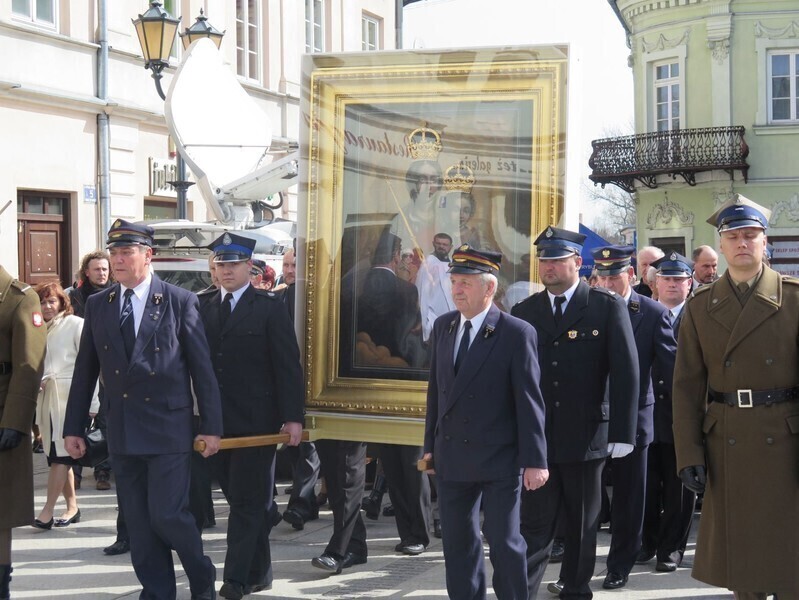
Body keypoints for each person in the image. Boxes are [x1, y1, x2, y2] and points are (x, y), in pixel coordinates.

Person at [62, 219, 223, 600]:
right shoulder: (100, 305)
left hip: (168, 428)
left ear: (148, 255)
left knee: (167, 515)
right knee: (138, 522)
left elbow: (202, 369)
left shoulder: (178, 300)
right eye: (113, 252)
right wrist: (72, 429)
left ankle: (201, 575)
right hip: (122, 429)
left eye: (126, 252)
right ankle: (157, 591)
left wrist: (211, 426)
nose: (117, 260)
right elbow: (85, 372)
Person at [673, 194, 799, 599]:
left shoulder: (794, 299)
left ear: (766, 243)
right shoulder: (700, 307)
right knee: (743, 568)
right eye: (733, 236)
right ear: (722, 245)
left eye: (751, 235)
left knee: (789, 561)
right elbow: (687, 388)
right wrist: (689, 455)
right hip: (728, 442)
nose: (742, 243)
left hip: (786, 441)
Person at [511, 226, 639, 599]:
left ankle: (576, 588)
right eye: (543, 260)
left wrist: (622, 432)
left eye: (556, 260)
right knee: (534, 524)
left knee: (583, 522)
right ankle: (523, 590)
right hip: (539, 438)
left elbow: (626, 371)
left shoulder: (605, 306)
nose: (547, 267)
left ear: (577, 263)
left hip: (587, 436)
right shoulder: (525, 311)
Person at [422, 244, 548, 599]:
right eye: (454, 282)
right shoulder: (445, 326)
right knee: (458, 545)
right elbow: (437, 394)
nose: (456, 290)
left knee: (505, 543)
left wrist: (535, 460)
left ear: (489, 288)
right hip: (453, 457)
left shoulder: (515, 332)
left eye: (465, 283)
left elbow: (529, 402)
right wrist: (430, 448)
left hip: (499, 459)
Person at [198, 232, 305, 599]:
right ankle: (260, 572)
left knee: (246, 503)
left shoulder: (268, 306)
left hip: (257, 423)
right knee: (247, 501)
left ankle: (237, 579)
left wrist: (293, 417)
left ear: (249, 267)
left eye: (233, 264)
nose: (226, 271)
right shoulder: (202, 305)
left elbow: (287, 365)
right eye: (221, 264)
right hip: (214, 423)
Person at [591, 246, 676, 589]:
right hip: (592, 419)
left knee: (629, 498)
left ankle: (619, 565)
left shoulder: (653, 313)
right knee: (588, 500)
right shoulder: (587, 310)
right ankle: (578, 567)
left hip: (634, 420)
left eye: (615, 276)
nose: (609, 283)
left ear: (631, 276)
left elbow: (672, 371)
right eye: (603, 277)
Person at [639, 252, 696, 573]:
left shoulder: (699, 315)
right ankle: (647, 543)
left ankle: (671, 548)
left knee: (680, 488)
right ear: (654, 284)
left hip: (683, 416)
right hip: (648, 415)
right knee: (645, 485)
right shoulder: (642, 313)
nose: (673, 285)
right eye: (666, 279)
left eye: (679, 279)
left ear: (690, 284)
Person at [32, 281, 99, 530]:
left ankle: (47, 511)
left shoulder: (75, 324)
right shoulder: (38, 328)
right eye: (42, 301)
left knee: (61, 456)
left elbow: (90, 366)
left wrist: (93, 403)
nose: (47, 306)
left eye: (52, 301)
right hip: (48, 400)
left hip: (71, 399)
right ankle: (72, 507)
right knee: (57, 455)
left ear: (62, 302)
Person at [0, 264, 47, 599]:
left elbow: (29, 366)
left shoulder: (19, 298)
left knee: (0, 512)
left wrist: (15, 421)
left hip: (2, 416)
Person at [416, 232, 456, 343]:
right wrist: (425, 320)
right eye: (438, 243)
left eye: (445, 244)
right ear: (433, 244)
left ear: (450, 247)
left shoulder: (453, 265)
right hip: (433, 316)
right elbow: (421, 291)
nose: (441, 246)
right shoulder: (428, 263)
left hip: (452, 315)